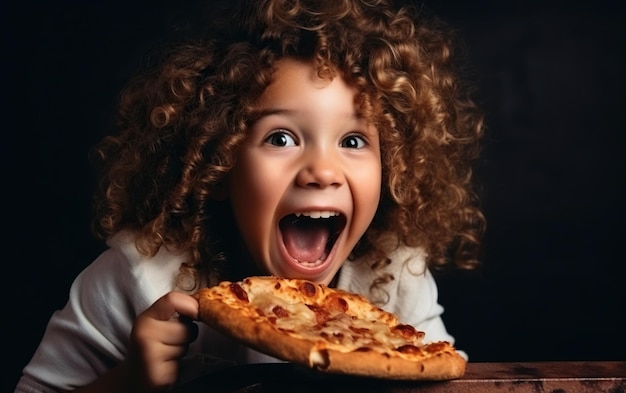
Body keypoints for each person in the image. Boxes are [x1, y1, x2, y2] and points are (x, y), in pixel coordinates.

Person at [15, 0, 485, 391]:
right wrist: (129, 381)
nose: (322, 170)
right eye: (281, 138)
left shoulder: (394, 272)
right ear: (219, 163)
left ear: (393, 164)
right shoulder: (139, 274)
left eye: (353, 141)